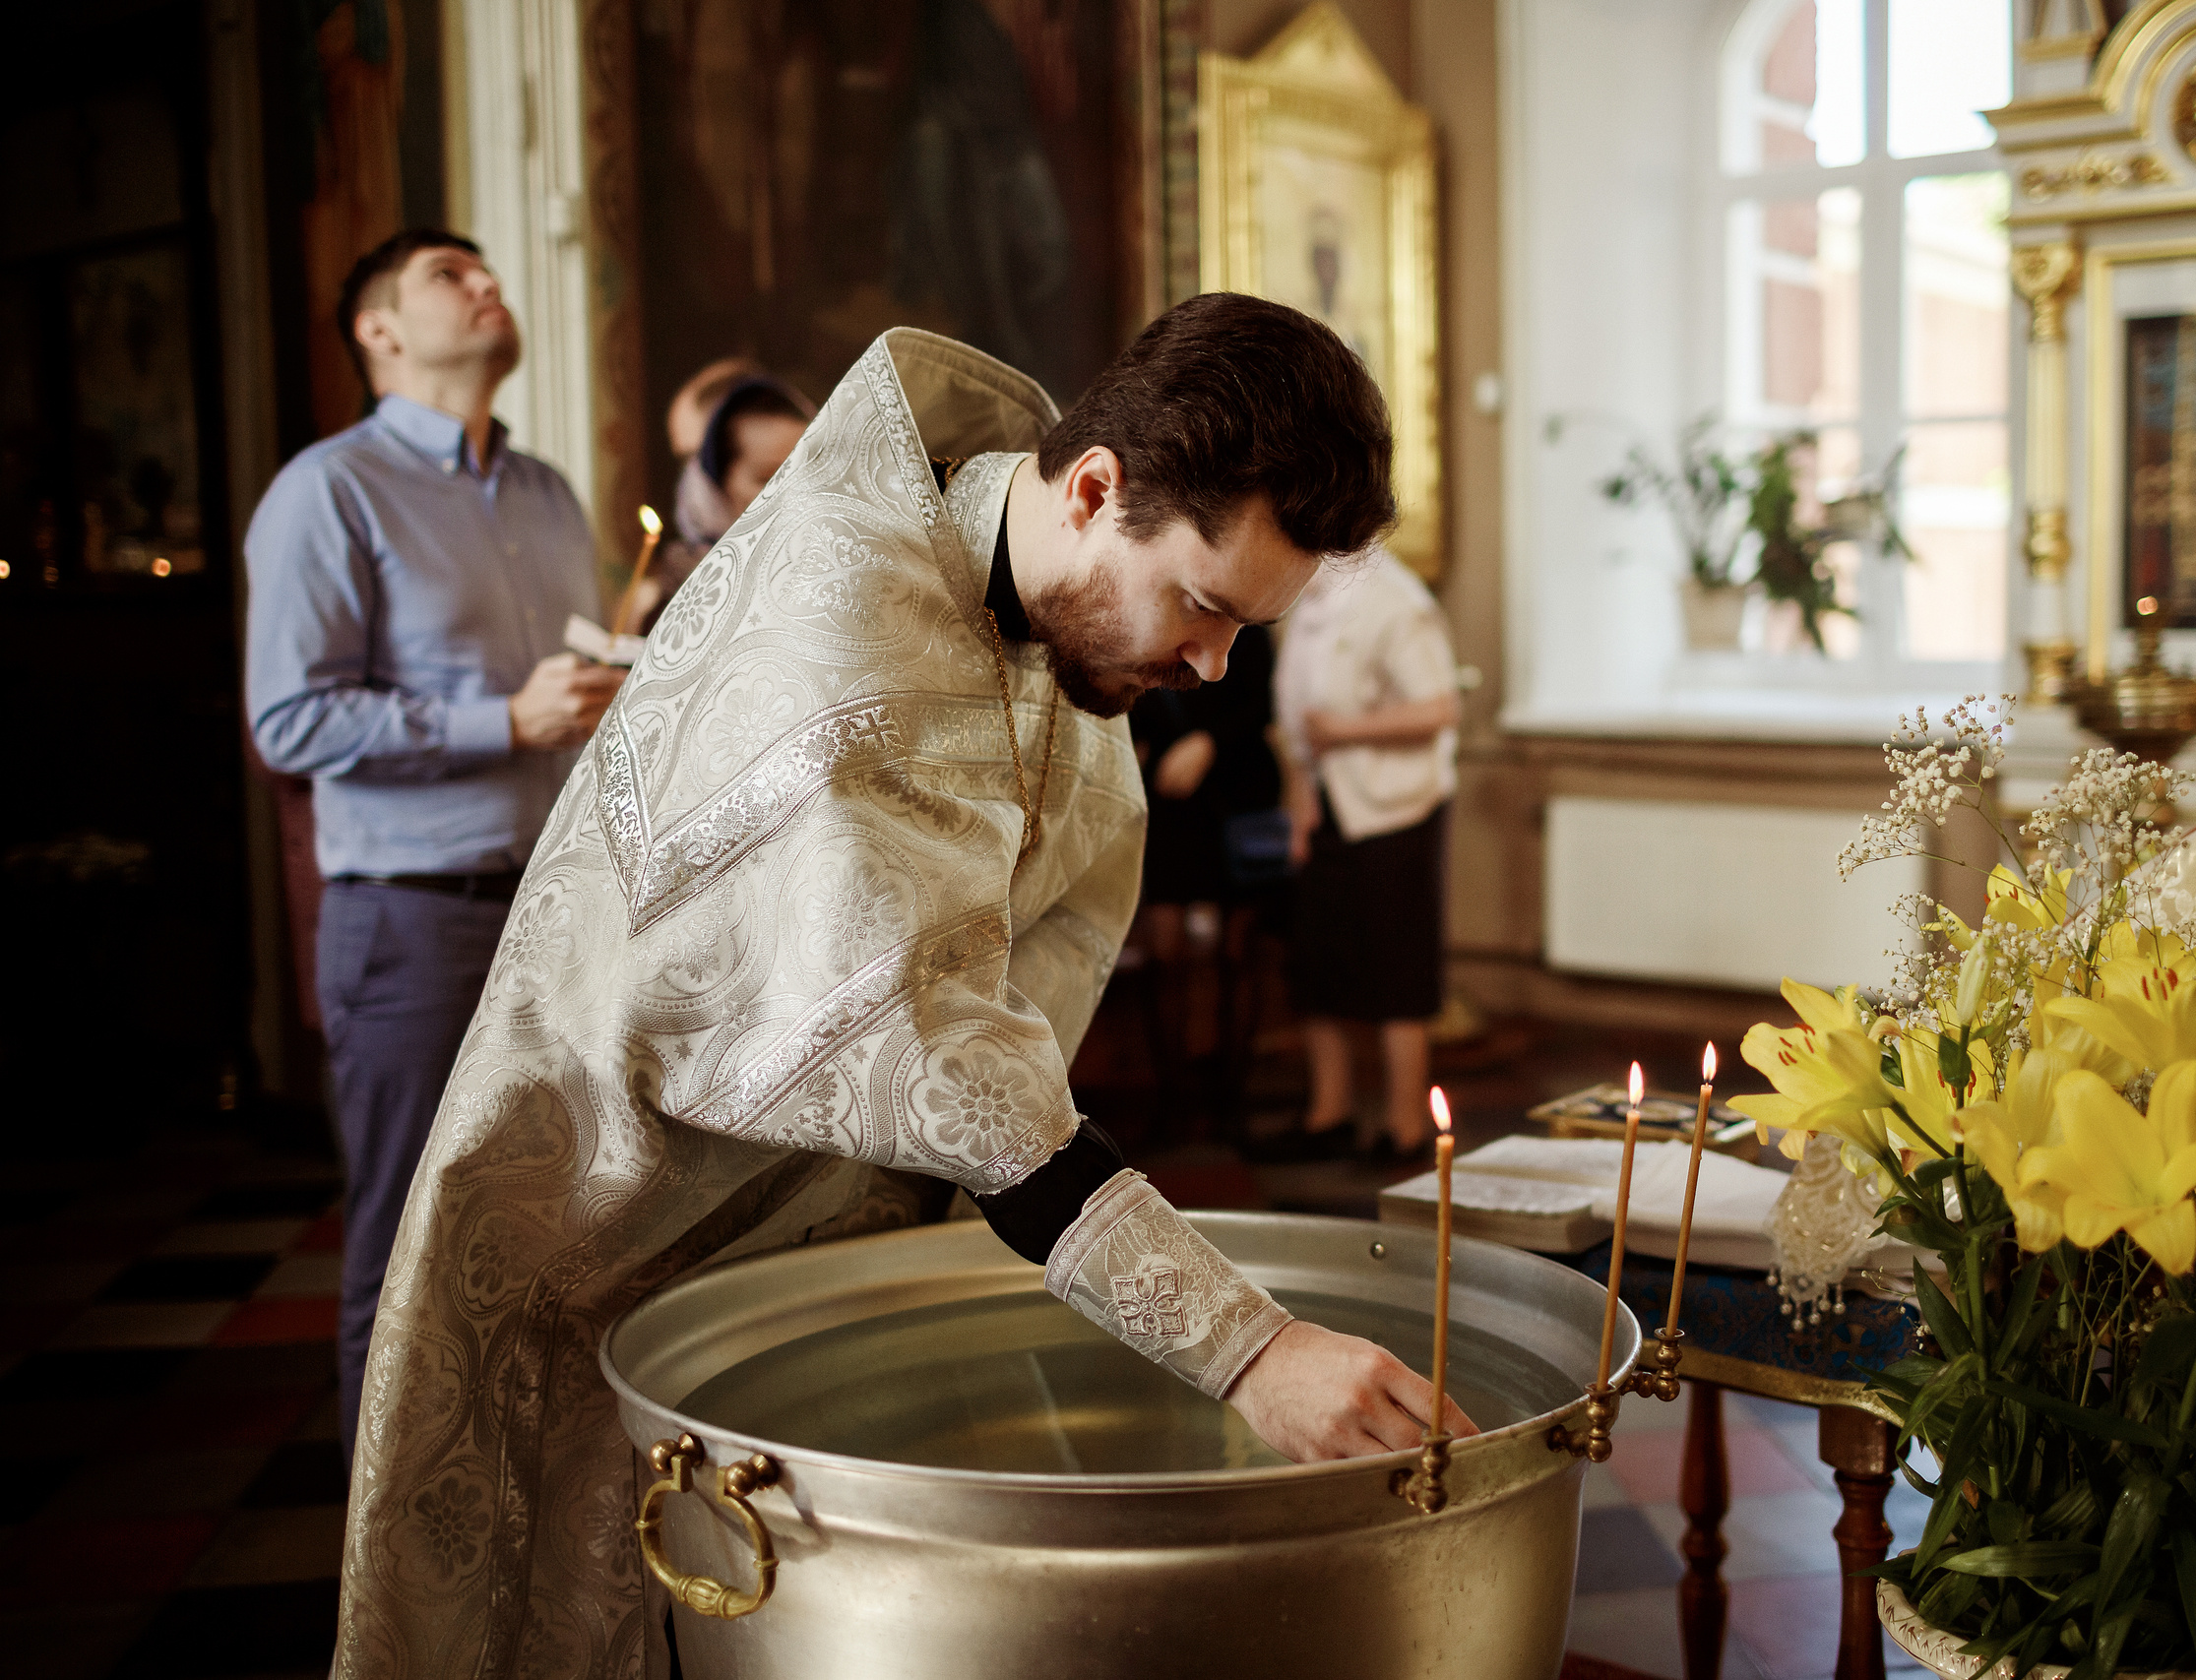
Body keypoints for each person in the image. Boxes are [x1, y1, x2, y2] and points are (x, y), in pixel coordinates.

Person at [336, 294, 1474, 1677]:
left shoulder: (1033, 585)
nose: (1211, 664)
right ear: (1098, 486)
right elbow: (936, 1051)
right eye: (1204, 605)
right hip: (611, 1250)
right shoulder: (842, 633)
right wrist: (1250, 1348)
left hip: (816, 1246)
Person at [242, 229, 624, 1450]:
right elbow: (288, 718)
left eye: (488, 270)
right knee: (405, 1251)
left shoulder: (548, 490)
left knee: (555, 1234)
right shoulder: (330, 488)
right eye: (450, 276)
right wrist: (503, 719)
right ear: (380, 331)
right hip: (413, 919)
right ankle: (388, 1593)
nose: (487, 284)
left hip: (554, 916)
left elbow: (561, 699)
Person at [1266, 547, 1462, 1163]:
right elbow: (1299, 720)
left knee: (1395, 970)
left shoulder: (1396, 603)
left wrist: (1343, 733)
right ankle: (1331, 1115)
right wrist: (1300, 804)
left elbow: (1441, 709)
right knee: (1320, 966)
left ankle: (1406, 1128)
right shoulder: (1310, 600)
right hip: (1328, 808)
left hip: (1395, 810)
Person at [1130, 623, 1283, 1128]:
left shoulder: (1251, 622)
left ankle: (1229, 1098)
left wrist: (1209, 744)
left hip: (1237, 795)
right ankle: (1171, 1099)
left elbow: (1260, 706)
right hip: (1171, 801)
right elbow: (1132, 708)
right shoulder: (1151, 616)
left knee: (1238, 953)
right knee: (1165, 951)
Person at [628, 372, 817, 632]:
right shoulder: (683, 601)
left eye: (805, 470)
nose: (792, 490)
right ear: (717, 489)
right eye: (768, 478)